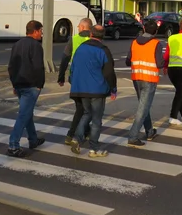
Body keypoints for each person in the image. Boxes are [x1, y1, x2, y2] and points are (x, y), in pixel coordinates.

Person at [68, 25, 117, 158]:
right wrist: (113, 88)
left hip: (81, 88)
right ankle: (93, 149)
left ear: (91, 34)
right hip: (97, 89)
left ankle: (77, 139)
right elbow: (108, 72)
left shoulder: (80, 48)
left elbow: (73, 67)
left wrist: (72, 81)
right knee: (96, 119)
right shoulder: (103, 50)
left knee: (86, 113)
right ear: (103, 35)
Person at [7, 20, 46, 158]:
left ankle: (33, 139)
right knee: (24, 115)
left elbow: (11, 66)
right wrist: (40, 84)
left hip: (19, 84)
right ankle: (13, 145)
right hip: (31, 85)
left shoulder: (17, 44)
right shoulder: (36, 46)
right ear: (35, 31)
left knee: (26, 112)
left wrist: (14, 84)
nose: (42, 34)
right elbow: (38, 67)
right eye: (41, 31)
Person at [126, 19, 165, 147]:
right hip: (149, 79)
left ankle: (149, 132)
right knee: (142, 109)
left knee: (144, 106)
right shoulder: (156, 44)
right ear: (156, 31)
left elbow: (128, 61)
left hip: (136, 78)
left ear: (143, 29)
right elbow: (159, 64)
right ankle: (133, 135)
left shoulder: (134, 42)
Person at [57, 18, 92, 145]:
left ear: (83, 27)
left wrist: (61, 77)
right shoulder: (94, 39)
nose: (77, 28)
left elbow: (65, 58)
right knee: (84, 108)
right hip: (90, 79)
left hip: (75, 78)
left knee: (81, 107)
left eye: (78, 26)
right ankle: (73, 134)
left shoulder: (74, 39)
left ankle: (80, 132)